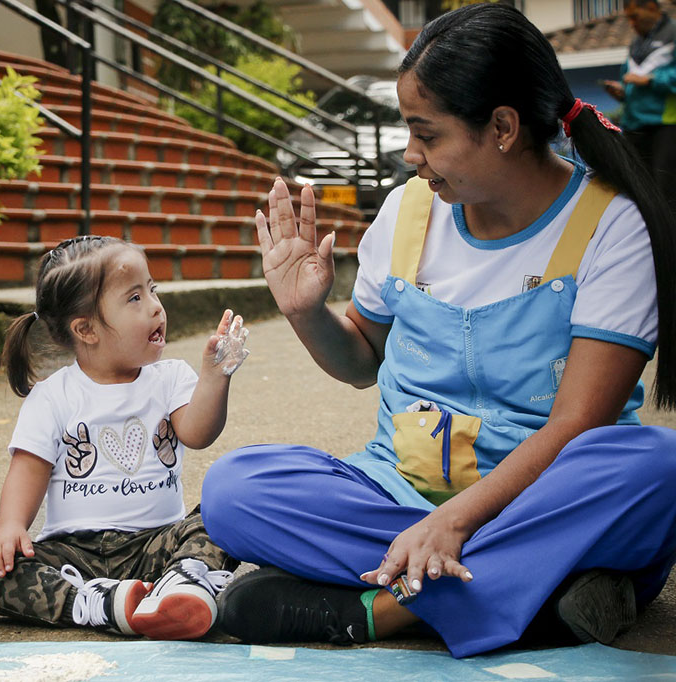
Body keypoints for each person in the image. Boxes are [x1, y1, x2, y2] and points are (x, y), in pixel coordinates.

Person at [200, 3, 676, 659]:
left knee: (657, 468)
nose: (409, 154)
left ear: (503, 127)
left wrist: (456, 520)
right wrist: (307, 312)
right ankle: (534, 589)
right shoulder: (407, 212)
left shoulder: (611, 226)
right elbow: (362, 357)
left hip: (543, 500)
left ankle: (388, 609)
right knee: (234, 490)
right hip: (399, 494)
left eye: (427, 134)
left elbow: (578, 425)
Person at [0, 235, 247, 640]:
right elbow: (27, 470)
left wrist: (214, 377)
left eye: (153, 290)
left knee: (225, 512)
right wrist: (10, 526)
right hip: (73, 554)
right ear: (86, 329)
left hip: (158, 543)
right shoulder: (54, 396)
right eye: (134, 298)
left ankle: (180, 586)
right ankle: (100, 604)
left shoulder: (170, 378)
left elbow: (198, 432)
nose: (154, 306)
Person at [602, 0, 676, 211]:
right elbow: (631, 79)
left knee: (666, 193)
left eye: (635, 16)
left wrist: (651, 80)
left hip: (665, 125)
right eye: (628, 18)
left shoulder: (672, 33)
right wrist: (622, 93)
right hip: (634, 124)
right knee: (637, 192)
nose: (631, 23)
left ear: (652, 8)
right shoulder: (637, 43)